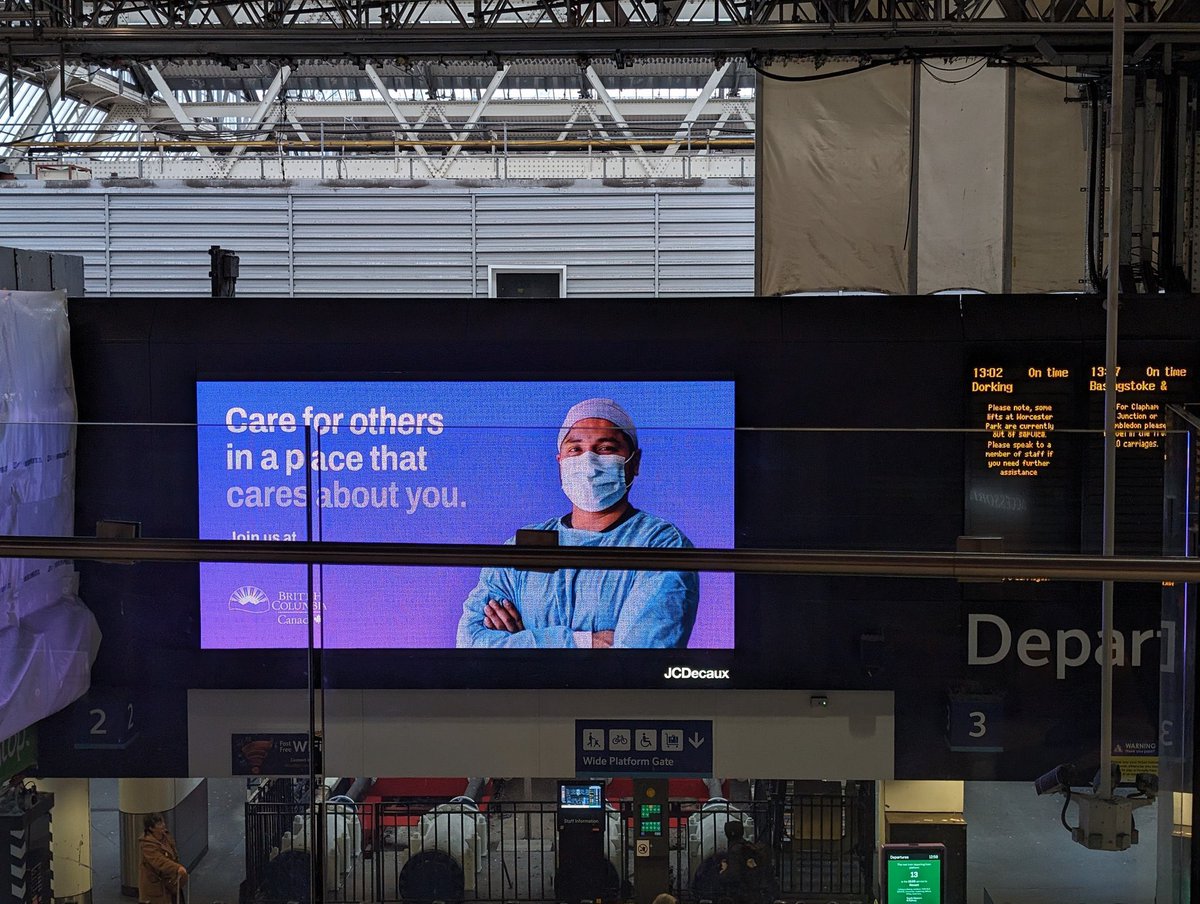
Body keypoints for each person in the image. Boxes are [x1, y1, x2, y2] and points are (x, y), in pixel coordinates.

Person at [456, 397, 698, 648]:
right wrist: (586, 642)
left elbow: (639, 654)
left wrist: (521, 644)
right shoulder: (524, 545)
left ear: (634, 462)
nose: (589, 463)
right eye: (575, 449)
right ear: (560, 461)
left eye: (605, 448)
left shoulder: (661, 545)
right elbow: (470, 641)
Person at [138, 813, 187, 904]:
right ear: (151, 828)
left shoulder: (165, 835)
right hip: (156, 884)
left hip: (170, 880)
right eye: (159, 824)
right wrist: (177, 868)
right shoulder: (147, 844)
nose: (163, 825)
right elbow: (159, 861)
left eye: (162, 822)